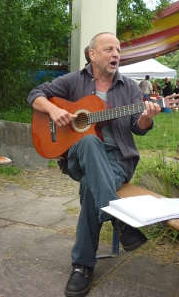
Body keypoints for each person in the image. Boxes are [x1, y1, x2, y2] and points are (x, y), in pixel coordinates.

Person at [28, 32, 161, 297]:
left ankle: (82, 266)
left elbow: (139, 127)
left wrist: (147, 117)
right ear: (92, 54)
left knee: (92, 186)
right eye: (109, 49)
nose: (116, 55)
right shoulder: (73, 80)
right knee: (89, 142)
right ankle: (119, 218)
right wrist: (53, 110)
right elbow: (35, 94)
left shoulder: (130, 88)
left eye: (119, 51)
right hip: (79, 156)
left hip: (117, 160)